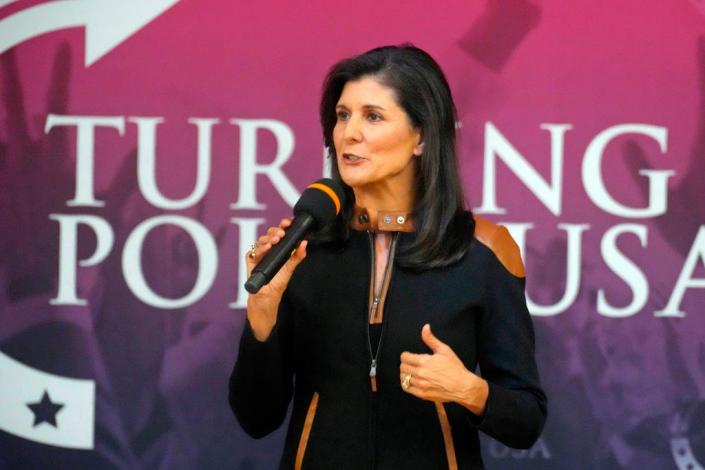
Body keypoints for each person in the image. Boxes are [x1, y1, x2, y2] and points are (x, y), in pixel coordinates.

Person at [229, 44, 546, 469]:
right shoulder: (302, 251)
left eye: (373, 116)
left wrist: (469, 390)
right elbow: (255, 418)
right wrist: (263, 312)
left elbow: (526, 420)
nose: (349, 133)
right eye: (343, 115)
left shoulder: (484, 251)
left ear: (421, 136)